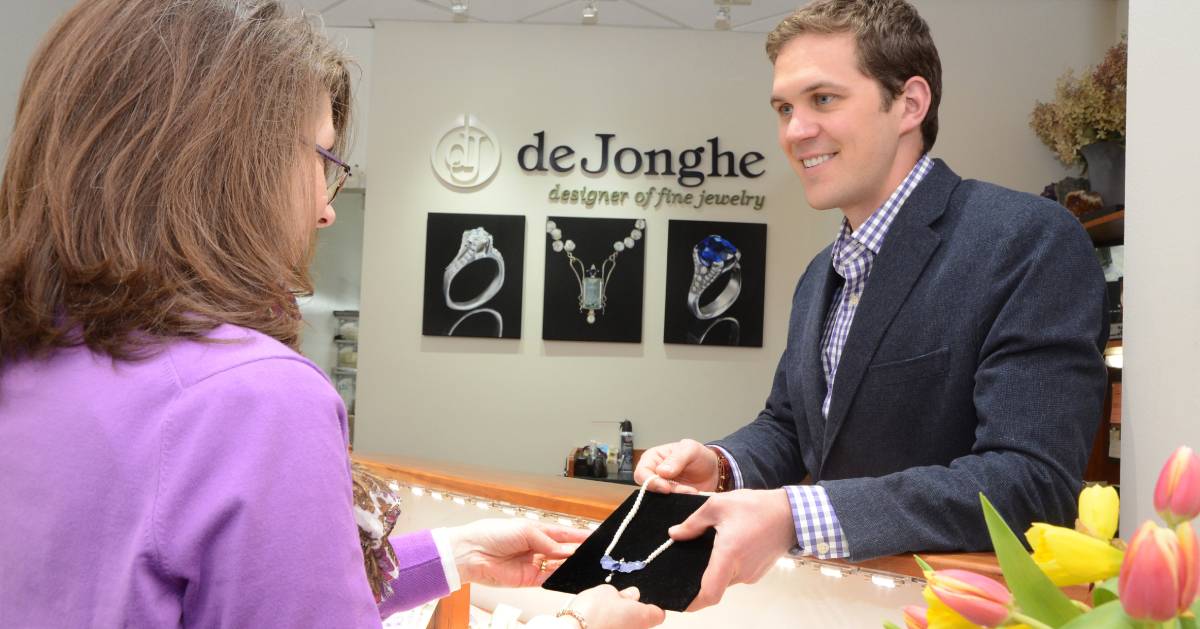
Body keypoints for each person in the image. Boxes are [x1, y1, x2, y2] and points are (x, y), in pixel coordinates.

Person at [0, 1, 665, 628]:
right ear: (226, 160)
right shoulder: (253, 398)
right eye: (323, 160)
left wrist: (454, 553)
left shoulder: (37, 356)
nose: (326, 208)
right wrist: (576, 618)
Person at [635, 0, 1109, 611]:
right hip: (837, 604)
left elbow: (1030, 482)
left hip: (957, 612)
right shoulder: (819, 274)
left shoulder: (1026, 240)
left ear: (910, 103)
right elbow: (791, 427)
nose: (794, 130)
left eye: (823, 100)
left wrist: (793, 515)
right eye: (784, 108)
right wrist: (722, 465)